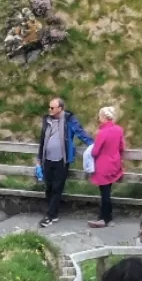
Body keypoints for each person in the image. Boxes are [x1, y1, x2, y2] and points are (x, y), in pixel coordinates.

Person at [36, 95, 92, 227]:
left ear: (60, 108)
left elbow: (81, 134)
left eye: (52, 107)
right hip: (47, 160)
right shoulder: (47, 120)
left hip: (62, 160)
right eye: (49, 107)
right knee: (48, 187)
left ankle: (49, 216)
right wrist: (39, 159)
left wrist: (95, 145)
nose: (49, 109)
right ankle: (53, 214)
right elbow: (42, 141)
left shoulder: (69, 120)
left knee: (57, 188)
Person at [87, 105, 125, 229]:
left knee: (104, 193)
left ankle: (104, 218)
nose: (99, 118)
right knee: (107, 191)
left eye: (100, 116)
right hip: (114, 163)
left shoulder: (102, 132)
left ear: (104, 117)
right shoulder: (119, 130)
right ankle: (107, 217)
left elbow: (95, 152)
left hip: (103, 165)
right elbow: (121, 147)